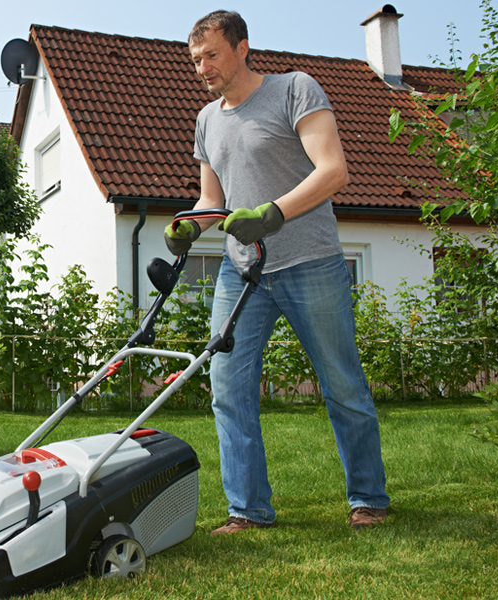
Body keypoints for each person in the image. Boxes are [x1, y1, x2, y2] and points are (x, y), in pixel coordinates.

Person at [164, 10, 389, 535]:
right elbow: (211, 199)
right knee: (227, 387)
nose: (203, 68)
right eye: (196, 59)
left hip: (310, 261)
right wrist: (189, 226)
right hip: (242, 272)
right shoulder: (205, 120)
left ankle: (369, 499)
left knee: (341, 384)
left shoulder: (295, 89)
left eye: (212, 55)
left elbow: (333, 169)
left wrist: (273, 213)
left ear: (243, 48)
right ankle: (247, 510)